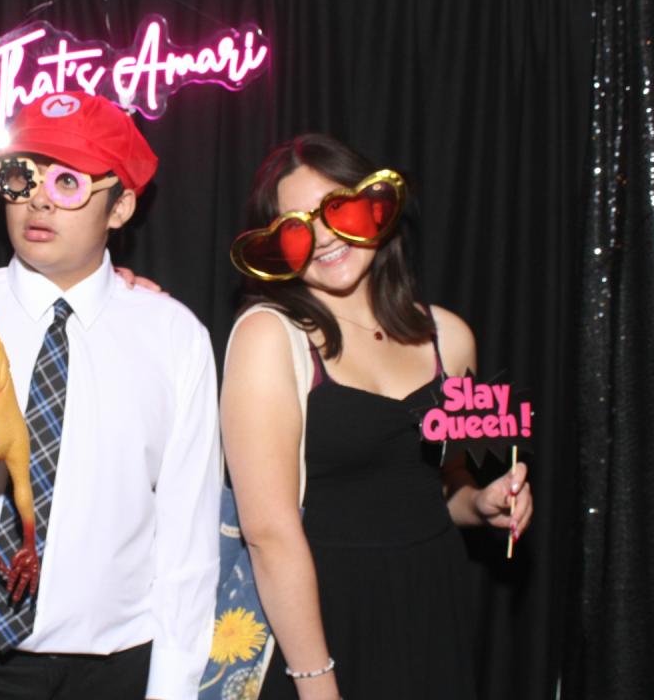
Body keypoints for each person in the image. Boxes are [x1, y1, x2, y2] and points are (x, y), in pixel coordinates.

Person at [0, 91, 220, 700]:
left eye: (68, 182)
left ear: (120, 207)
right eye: (21, 176)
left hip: (110, 669)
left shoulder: (174, 338)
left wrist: (173, 690)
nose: (39, 199)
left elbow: (188, 545)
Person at [220, 133, 534, 700]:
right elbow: (267, 532)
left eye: (337, 209)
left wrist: (482, 504)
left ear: (377, 208)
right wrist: (316, 681)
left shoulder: (450, 337)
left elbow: (438, 487)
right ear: (277, 248)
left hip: (433, 609)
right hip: (322, 622)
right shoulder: (269, 336)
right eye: (296, 227)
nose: (322, 237)